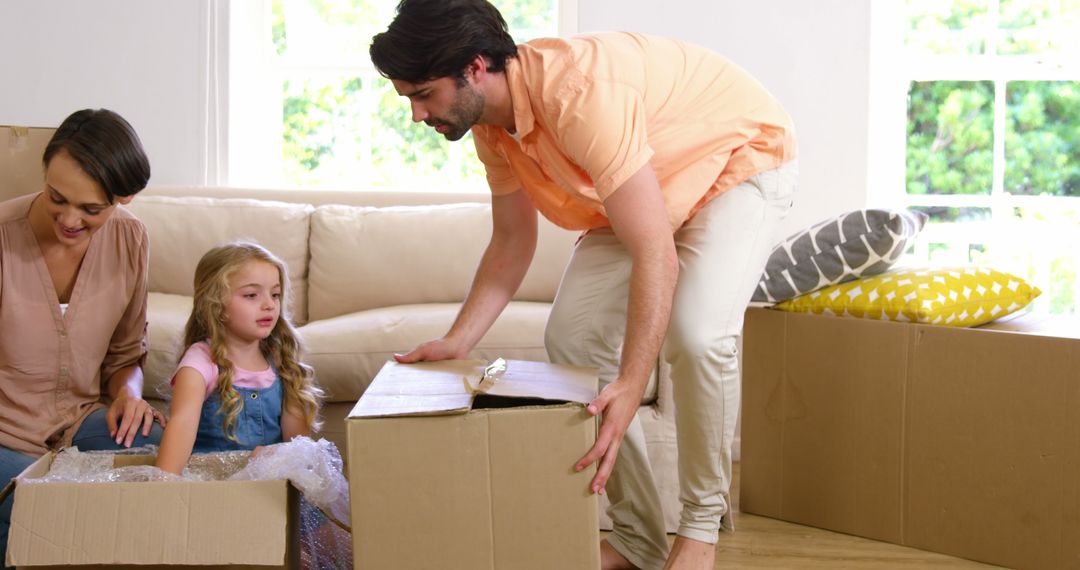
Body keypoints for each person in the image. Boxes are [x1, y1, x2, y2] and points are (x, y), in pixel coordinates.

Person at [370, 2, 798, 569]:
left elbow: (655, 254)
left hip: (736, 163)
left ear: (474, 68)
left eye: (423, 95)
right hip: (649, 190)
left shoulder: (578, 93)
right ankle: (637, 537)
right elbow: (511, 244)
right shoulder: (493, 131)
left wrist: (630, 380)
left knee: (695, 336)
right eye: (409, 100)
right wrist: (459, 339)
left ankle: (697, 529)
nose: (417, 115)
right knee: (570, 341)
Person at [0, 108, 161, 567]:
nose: (69, 220)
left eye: (91, 209)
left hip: (79, 420)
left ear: (123, 198)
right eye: (56, 197)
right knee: (39, 509)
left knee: (172, 468)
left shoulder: (130, 238)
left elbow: (126, 354)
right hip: (4, 432)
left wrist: (129, 395)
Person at [155, 241, 323, 475]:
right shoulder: (199, 364)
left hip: (269, 491)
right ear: (216, 305)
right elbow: (180, 430)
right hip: (213, 490)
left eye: (275, 294)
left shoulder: (283, 363)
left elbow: (299, 448)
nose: (269, 305)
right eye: (251, 295)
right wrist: (163, 490)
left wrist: (276, 456)